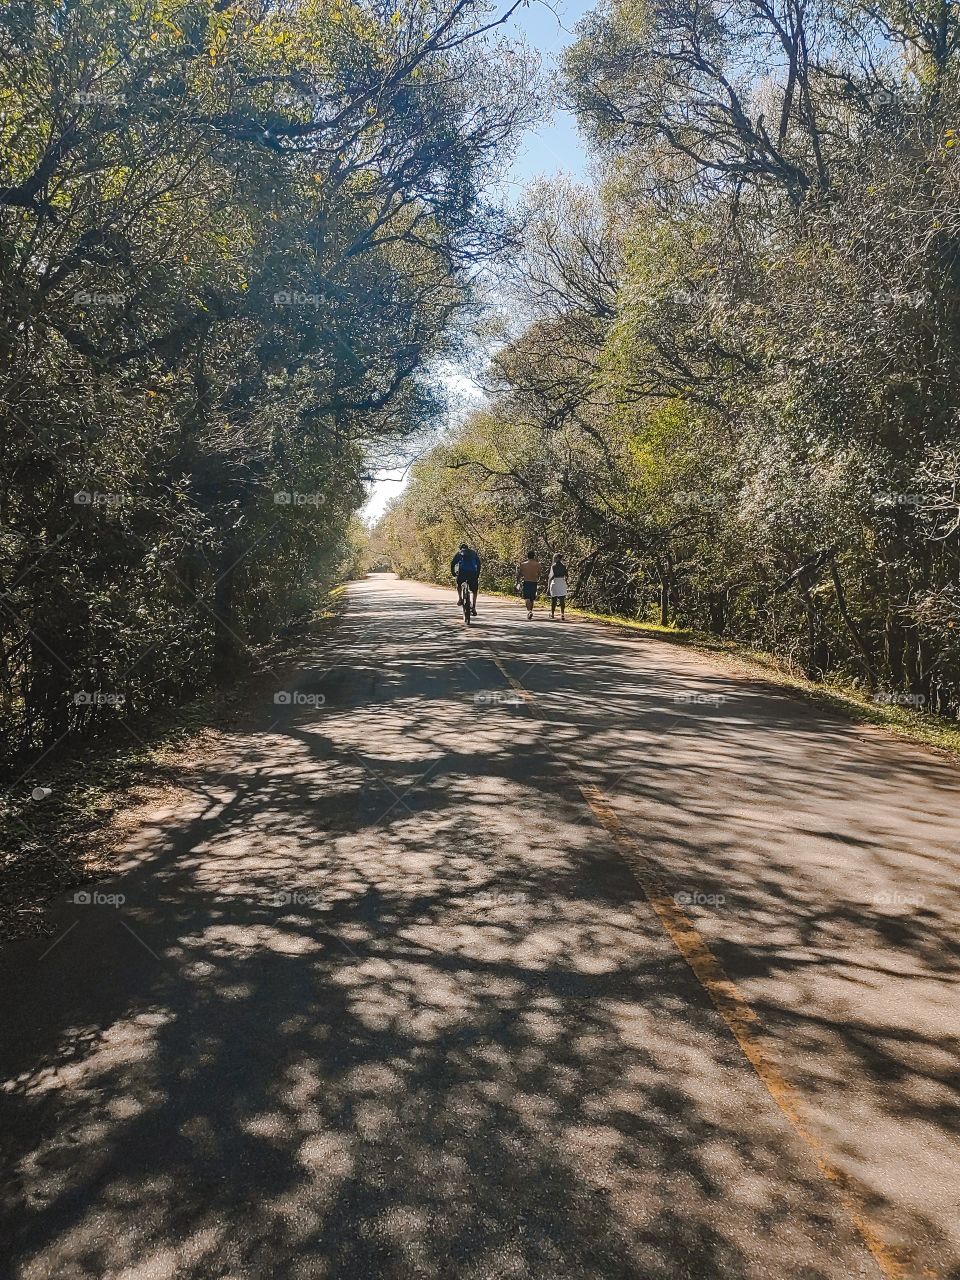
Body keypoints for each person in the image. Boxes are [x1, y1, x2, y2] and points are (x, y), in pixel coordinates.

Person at [450, 542, 481, 616]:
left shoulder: (459, 553)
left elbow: (453, 563)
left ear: (461, 548)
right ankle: (473, 607)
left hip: (462, 573)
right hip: (472, 573)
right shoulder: (474, 553)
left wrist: (453, 573)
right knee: (475, 590)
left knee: (459, 584)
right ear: (468, 548)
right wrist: (477, 574)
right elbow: (479, 564)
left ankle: (460, 599)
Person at [515, 549, 541, 620]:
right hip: (534, 582)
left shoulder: (523, 564)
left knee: (527, 598)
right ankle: (530, 611)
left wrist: (517, 582)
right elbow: (539, 574)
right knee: (532, 598)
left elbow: (519, 574)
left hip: (526, 582)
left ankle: (529, 611)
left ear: (527, 556)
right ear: (534, 556)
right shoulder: (538, 564)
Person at [548, 554, 568, 620]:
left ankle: (552, 614)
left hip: (555, 581)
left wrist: (548, 586)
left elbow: (551, 576)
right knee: (562, 599)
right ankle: (562, 614)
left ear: (558, 558)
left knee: (554, 599)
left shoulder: (553, 566)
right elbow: (567, 575)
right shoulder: (564, 566)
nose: (554, 559)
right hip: (562, 582)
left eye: (555, 558)